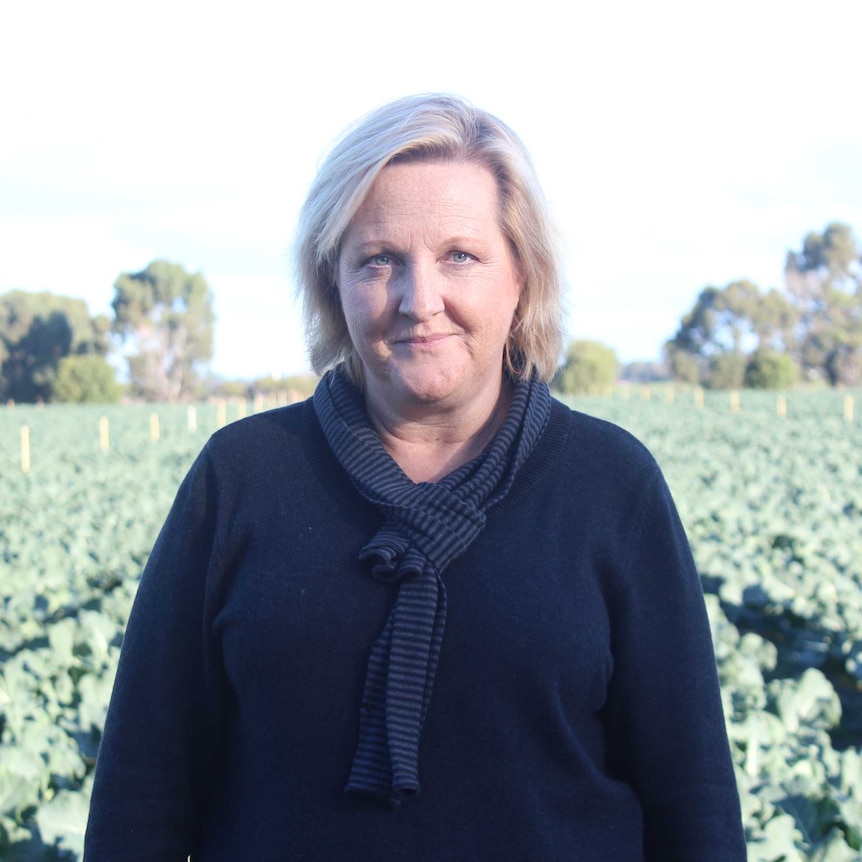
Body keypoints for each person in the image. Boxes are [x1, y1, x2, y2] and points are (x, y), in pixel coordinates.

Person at [84, 94, 746, 860]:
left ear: (521, 276)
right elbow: (143, 791)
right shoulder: (238, 481)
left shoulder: (611, 487)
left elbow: (691, 799)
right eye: (379, 261)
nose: (418, 301)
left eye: (459, 256)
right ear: (333, 280)